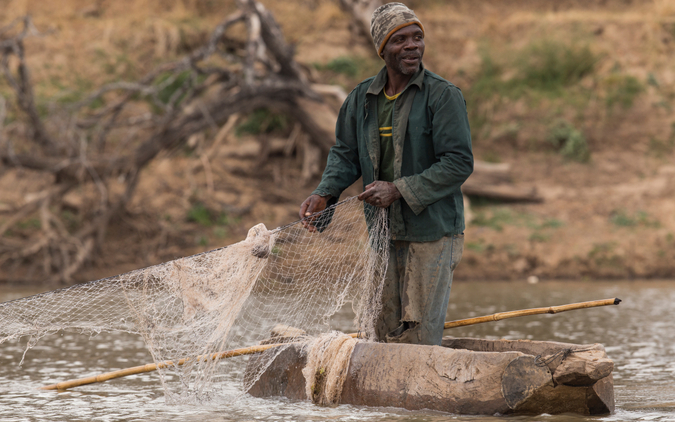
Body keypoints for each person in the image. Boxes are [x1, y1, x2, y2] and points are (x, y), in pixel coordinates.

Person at [299, 2, 473, 346]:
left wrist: (398, 190)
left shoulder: (443, 96)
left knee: (418, 336)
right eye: (400, 40)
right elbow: (345, 155)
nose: (412, 46)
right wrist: (324, 194)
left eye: (417, 37)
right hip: (382, 233)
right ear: (383, 49)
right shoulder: (361, 99)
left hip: (433, 234)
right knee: (381, 332)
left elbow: (458, 163)